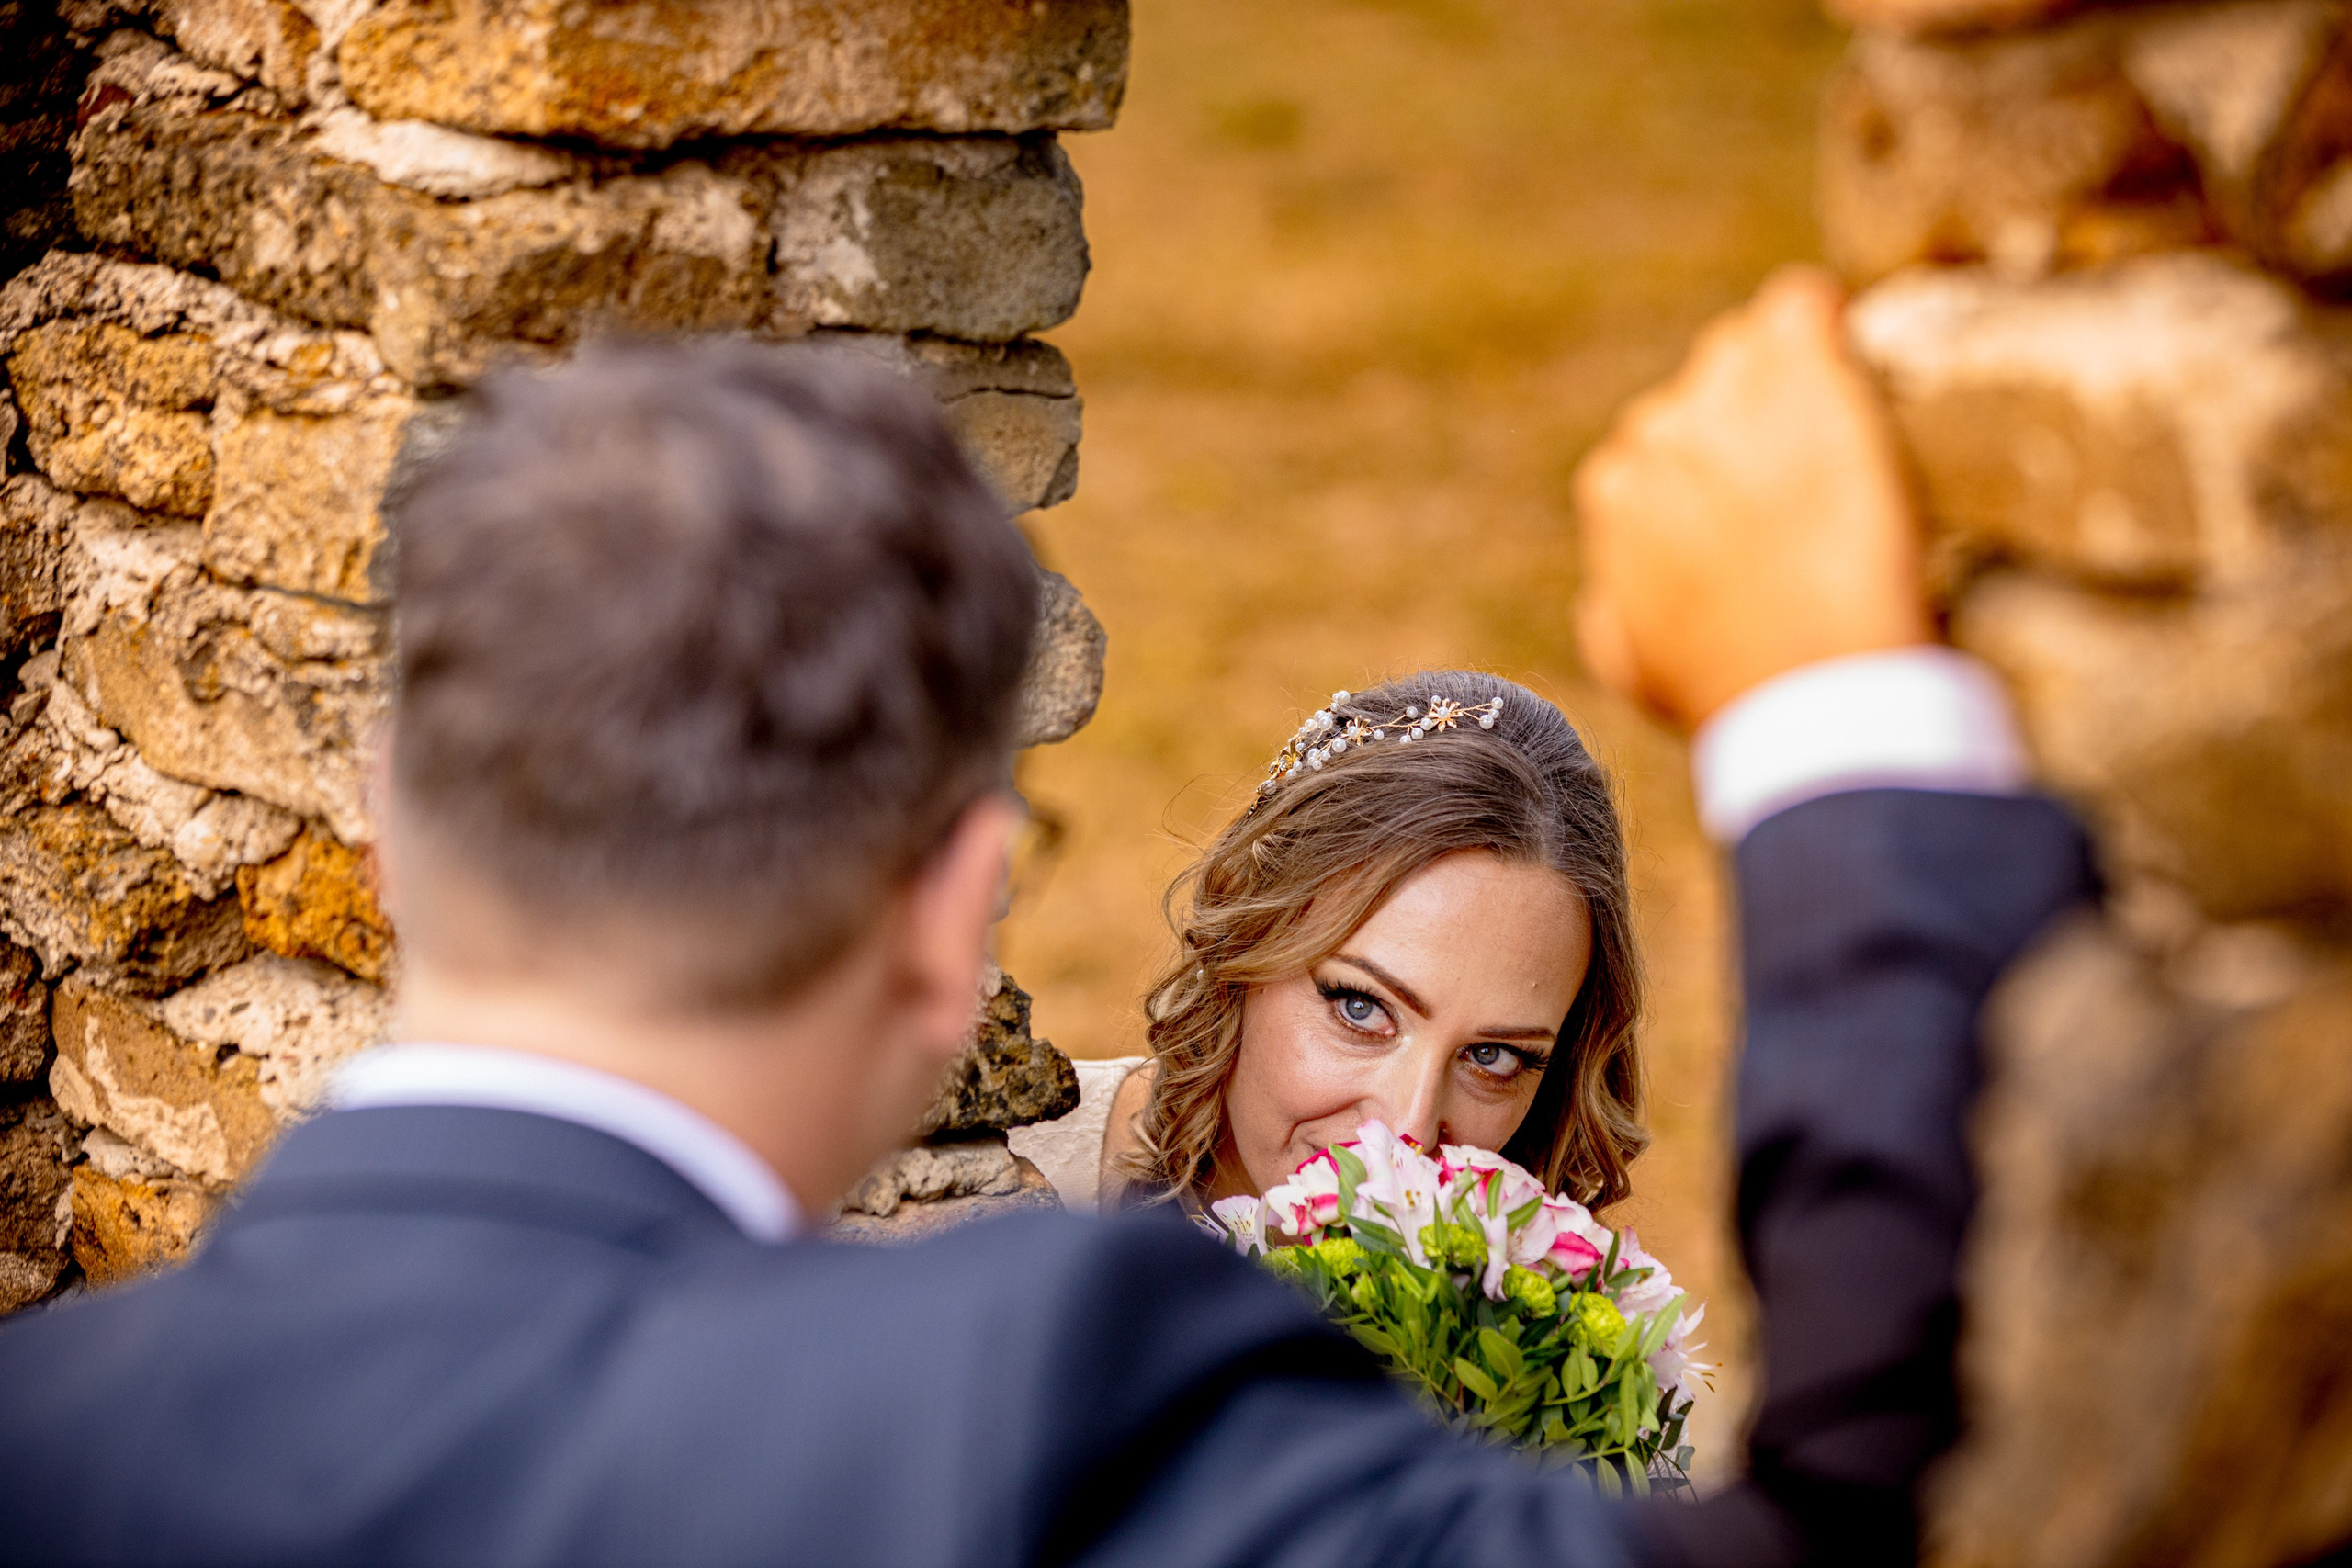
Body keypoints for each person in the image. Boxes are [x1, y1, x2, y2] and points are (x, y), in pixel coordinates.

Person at [0, 268, 2094, 1568]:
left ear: (378, 819)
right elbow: (1899, 1517)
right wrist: (1832, 718)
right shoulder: (1044, 1392)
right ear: (952, 919)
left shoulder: (52, 1431)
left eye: (1495, 1050)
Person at [1011, 669, 1645, 1224]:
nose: (1408, 1133)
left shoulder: (1536, 1341)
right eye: (1361, 1008)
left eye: (1492, 1055)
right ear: (1247, 940)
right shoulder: (967, 1192)